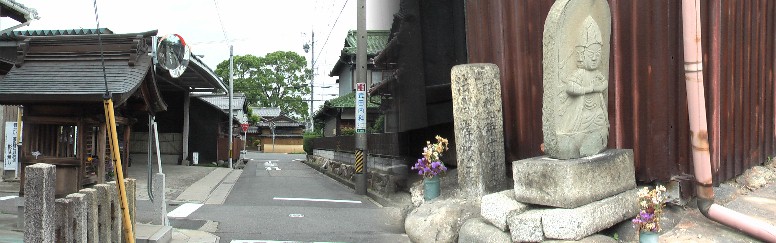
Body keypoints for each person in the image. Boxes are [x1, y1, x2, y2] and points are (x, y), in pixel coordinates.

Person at [556, 16, 609, 159]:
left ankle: (593, 142)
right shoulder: (580, 73)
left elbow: (605, 84)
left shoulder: (596, 73)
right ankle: (579, 145)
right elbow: (570, 87)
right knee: (581, 126)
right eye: (591, 54)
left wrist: (597, 87)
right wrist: (588, 89)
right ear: (581, 55)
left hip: (596, 113)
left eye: (597, 55)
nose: (594, 58)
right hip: (583, 115)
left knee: (599, 120)